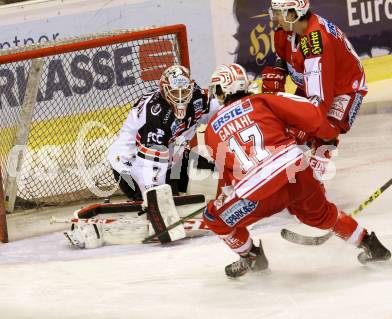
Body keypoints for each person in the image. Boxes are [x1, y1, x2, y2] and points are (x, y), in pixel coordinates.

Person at [203, 63, 390, 278]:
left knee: (213, 217)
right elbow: (312, 115)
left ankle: (252, 256)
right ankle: (371, 245)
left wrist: (220, 203)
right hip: (297, 173)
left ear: (222, 91)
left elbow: (227, 180)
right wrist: (318, 136)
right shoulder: (262, 100)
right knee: (322, 214)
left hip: (259, 195)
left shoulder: (211, 129)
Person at [107, 65, 219, 201]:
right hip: (131, 165)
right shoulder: (155, 116)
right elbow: (149, 168)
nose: (180, 99)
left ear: (191, 87)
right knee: (160, 201)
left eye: (184, 92)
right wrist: (157, 200)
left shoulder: (199, 97)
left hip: (171, 156)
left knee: (215, 180)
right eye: (174, 92)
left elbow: (226, 110)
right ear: (164, 91)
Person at [262, 0, 367, 143]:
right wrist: (278, 73)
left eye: (278, 13)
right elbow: (282, 56)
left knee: (324, 135)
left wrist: (303, 128)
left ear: (292, 14)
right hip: (313, 84)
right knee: (296, 128)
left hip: (345, 89)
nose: (274, 18)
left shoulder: (315, 43)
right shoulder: (285, 30)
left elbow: (319, 100)